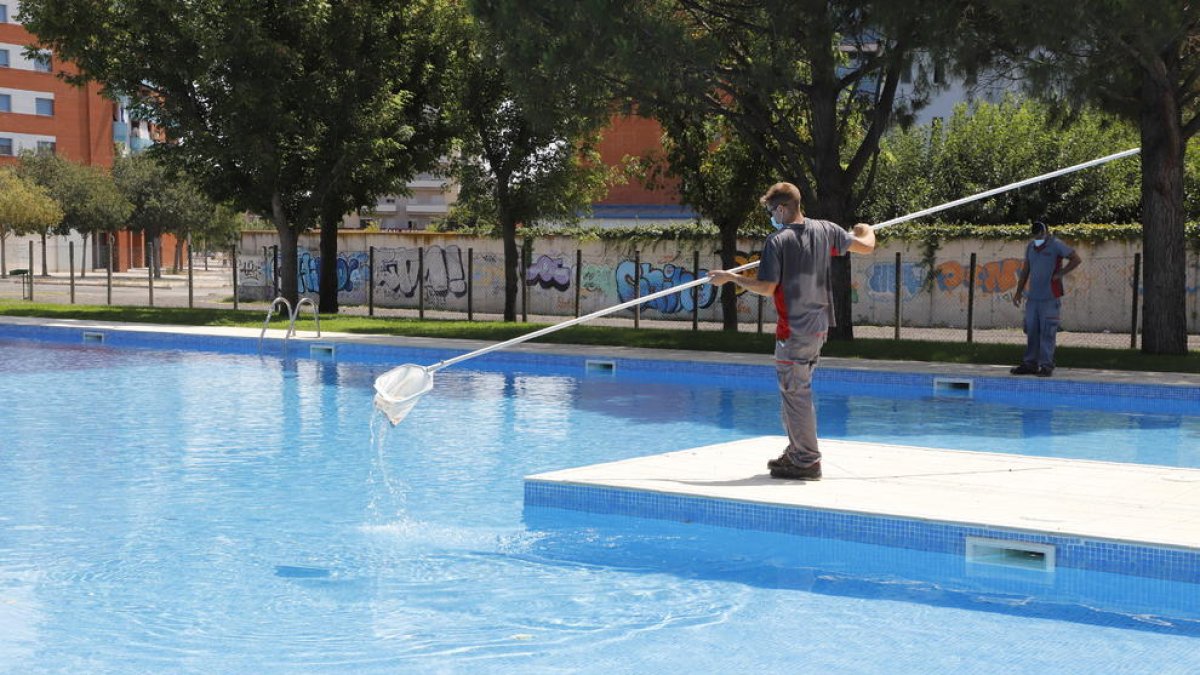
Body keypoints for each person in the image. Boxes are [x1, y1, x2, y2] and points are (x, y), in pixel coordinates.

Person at [709, 182, 875, 480]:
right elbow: (866, 245)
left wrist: (730, 278)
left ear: (783, 208)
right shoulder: (826, 230)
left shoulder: (779, 240)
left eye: (772, 211)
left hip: (794, 330)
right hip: (819, 327)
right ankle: (797, 450)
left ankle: (806, 460)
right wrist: (866, 229)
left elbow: (766, 287)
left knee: (795, 395)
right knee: (794, 392)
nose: (771, 216)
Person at [1010, 221, 1082, 377]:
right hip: (1033, 297)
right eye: (1035, 236)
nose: (1037, 238)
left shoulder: (1056, 245)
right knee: (1031, 331)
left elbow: (1076, 259)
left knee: (1047, 332)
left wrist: (1060, 273)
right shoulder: (1030, 247)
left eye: (1040, 235)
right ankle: (1030, 364)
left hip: (1050, 297)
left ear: (1046, 233)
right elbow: (1026, 270)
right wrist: (1018, 292)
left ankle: (1046, 365)